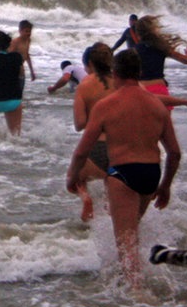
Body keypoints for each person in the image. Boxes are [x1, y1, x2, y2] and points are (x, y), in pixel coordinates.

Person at [67, 49, 181, 291]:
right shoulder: (156, 105)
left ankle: (136, 294)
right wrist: (165, 187)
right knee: (131, 233)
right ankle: (133, 280)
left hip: (123, 174)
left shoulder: (106, 105)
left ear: (116, 73)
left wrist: (71, 177)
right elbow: (174, 152)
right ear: (138, 72)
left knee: (125, 242)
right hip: (151, 174)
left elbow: (81, 151)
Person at [70, 43, 115, 222]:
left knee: (77, 179)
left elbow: (80, 124)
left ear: (89, 64)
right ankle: (108, 210)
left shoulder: (84, 86)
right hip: (120, 145)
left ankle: (86, 199)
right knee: (111, 183)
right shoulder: (121, 82)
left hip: (95, 146)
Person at [133, 15, 187, 100]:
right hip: (159, 89)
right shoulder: (161, 47)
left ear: (137, 33)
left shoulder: (133, 51)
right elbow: (186, 60)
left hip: (141, 91)